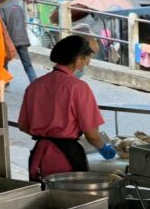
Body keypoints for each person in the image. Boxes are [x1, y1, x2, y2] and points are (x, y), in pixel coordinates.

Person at [18, 35, 117, 181]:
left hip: (39, 156)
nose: (87, 63)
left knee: (44, 200)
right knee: (70, 201)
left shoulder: (35, 86)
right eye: (87, 58)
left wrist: (47, 133)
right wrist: (104, 148)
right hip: (66, 158)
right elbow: (92, 134)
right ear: (78, 59)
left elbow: (23, 125)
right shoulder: (78, 88)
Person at [0, 0, 37, 84]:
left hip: (10, 40)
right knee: (27, 64)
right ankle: (35, 83)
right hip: (23, 39)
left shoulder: (2, 7)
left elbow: (2, 25)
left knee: (3, 62)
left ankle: (6, 82)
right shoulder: (19, 6)